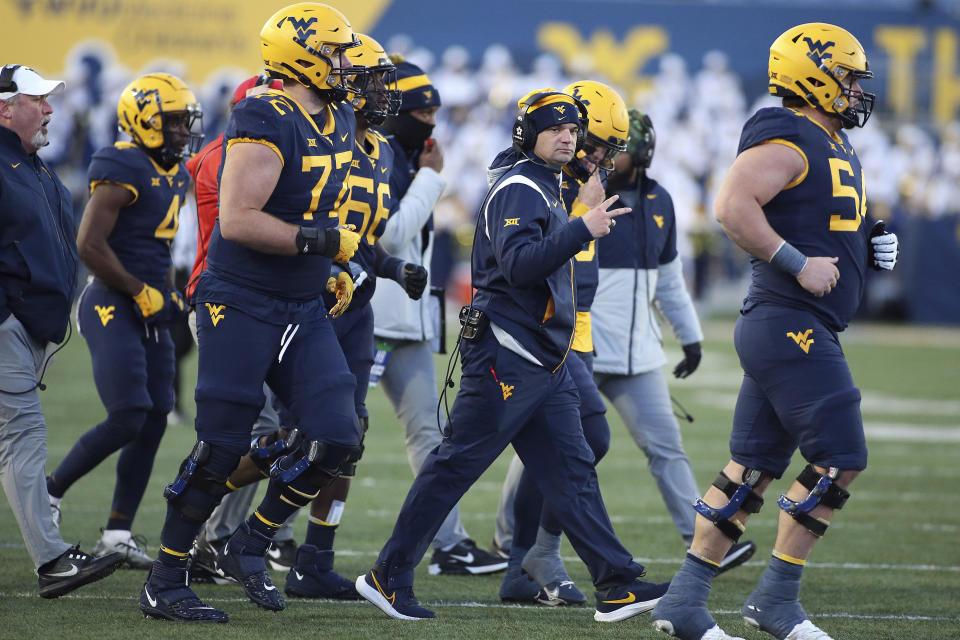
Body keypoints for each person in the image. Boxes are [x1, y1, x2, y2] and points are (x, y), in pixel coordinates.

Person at [356, 88, 669, 622]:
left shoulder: (547, 182)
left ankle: (615, 583)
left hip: (540, 354)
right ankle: (389, 574)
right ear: (530, 134)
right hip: (507, 350)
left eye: (573, 129)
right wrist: (582, 226)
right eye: (556, 129)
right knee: (456, 465)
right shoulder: (523, 185)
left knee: (572, 469)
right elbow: (520, 264)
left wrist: (577, 217)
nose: (569, 137)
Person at [651, 23, 896, 640]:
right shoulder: (788, 134)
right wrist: (796, 263)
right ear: (809, 75)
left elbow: (817, 215)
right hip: (788, 320)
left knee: (750, 469)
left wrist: (869, 239)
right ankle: (777, 599)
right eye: (844, 77)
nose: (854, 90)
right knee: (841, 457)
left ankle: (683, 603)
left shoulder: (830, 141)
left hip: (796, 324)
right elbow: (733, 206)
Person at [138, 3, 365, 623]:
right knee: (222, 445)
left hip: (300, 302)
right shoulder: (264, 112)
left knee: (339, 434)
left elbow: (320, 205)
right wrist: (323, 244)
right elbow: (238, 221)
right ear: (303, 55)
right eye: (338, 52)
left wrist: (335, 265)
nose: (348, 64)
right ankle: (166, 575)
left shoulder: (339, 115)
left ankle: (253, 539)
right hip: (241, 300)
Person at [45, 72, 202, 571]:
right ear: (144, 121)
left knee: (156, 416)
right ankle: (48, 493)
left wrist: (172, 294)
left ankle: (117, 532)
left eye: (185, 121)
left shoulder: (175, 171)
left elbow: (156, 250)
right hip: (112, 300)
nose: (182, 131)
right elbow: (89, 245)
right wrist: (139, 291)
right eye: (173, 121)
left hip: (150, 301)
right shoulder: (122, 165)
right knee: (129, 413)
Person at [591, 108, 756, 572]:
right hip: (583, 349)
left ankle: (703, 542)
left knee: (667, 448)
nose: (605, 154)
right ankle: (513, 539)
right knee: (557, 450)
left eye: (616, 146)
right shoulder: (581, 193)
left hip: (638, 353)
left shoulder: (660, 199)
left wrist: (691, 338)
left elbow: (667, 279)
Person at [369, 59, 506, 577]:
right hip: (368, 316)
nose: (430, 120)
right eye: (421, 109)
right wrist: (431, 180)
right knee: (318, 434)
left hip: (406, 322)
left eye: (434, 109)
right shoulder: (380, 156)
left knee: (431, 436)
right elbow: (388, 238)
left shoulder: (403, 156)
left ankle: (448, 544)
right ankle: (244, 538)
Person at [495, 79, 628, 607]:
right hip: (531, 330)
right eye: (591, 144)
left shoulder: (575, 181)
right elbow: (530, 260)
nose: (596, 157)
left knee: (564, 446)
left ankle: (524, 563)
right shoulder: (530, 182)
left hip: (574, 328)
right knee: (582, 439)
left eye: (601, 149)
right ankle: (536, 554)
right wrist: (580, 217)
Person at [0, 63, 123, 597]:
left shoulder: (33, 166)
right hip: (9, 326)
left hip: (32, 327)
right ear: (5, 107)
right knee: (24, 439)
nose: (49, 109)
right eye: (37, 100)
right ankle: (52, 561)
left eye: (49, 99)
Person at [180, 74, 302, 584]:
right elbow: (248, 221)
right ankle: (209, 535)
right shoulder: (222, 155)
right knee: (251, 430)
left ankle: (223, 533)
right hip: (225, 301)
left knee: (292, 429)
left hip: (269, 303)